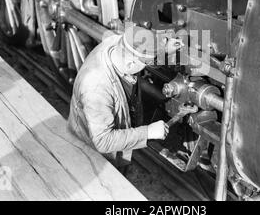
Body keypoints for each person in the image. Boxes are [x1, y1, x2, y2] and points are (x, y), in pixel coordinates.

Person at [67, 24, 181, 168]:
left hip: (106, 142)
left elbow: (137, 47)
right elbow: (103, 141)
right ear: (130, 63)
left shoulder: (117, 45)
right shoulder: (96, 87)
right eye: (145, 64)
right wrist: (148, 132)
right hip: (92, 155)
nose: (147, 66)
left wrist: (163, 49)